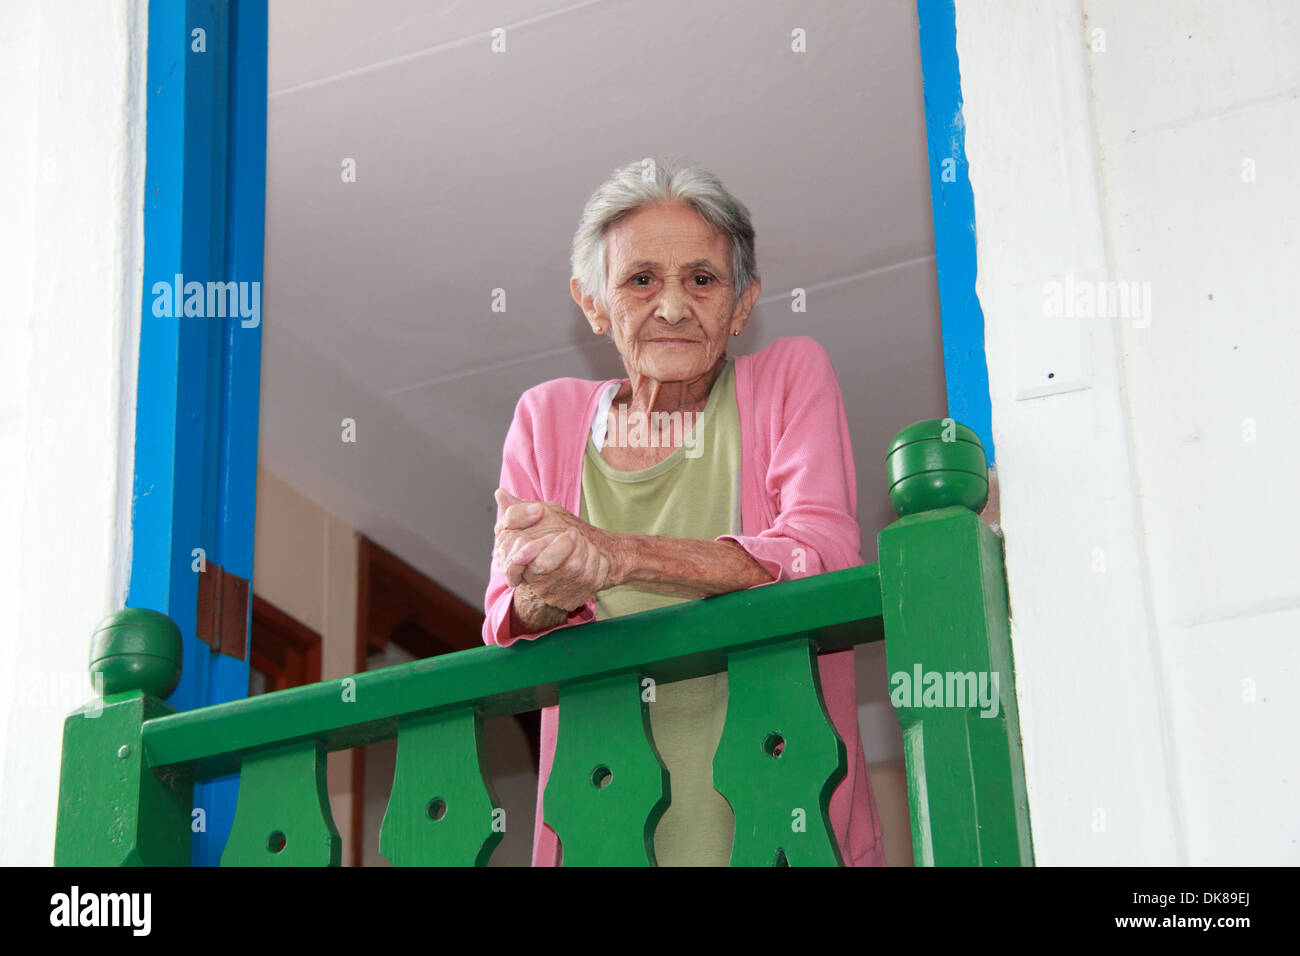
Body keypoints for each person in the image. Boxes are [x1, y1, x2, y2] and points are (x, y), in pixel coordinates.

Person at [482, 158, 885, 866]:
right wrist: (544, 589)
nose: (672, 306)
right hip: (602, 829)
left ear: (741, 303)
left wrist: (617, 555)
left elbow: (822, 555)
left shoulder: (790, 375)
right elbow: (507, 624)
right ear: (593, 302)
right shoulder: (545, 418)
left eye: (701, 279)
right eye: (641, 280)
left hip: (783, 824)